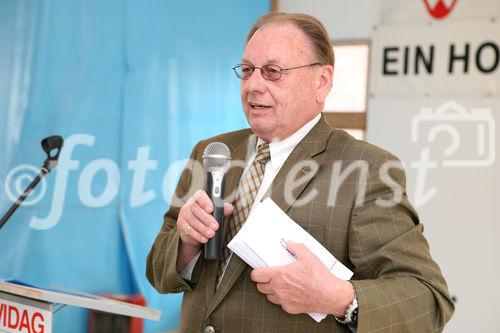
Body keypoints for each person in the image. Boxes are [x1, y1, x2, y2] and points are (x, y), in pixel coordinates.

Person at [146, 12, 454, 333]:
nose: (253, 85)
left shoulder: (364, 170)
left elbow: (428, 302)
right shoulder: (212, 152)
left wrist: (338, 297)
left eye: (273, 72)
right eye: (248, 70)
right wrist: (185, 244)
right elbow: (158, 273)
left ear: (321, 81)